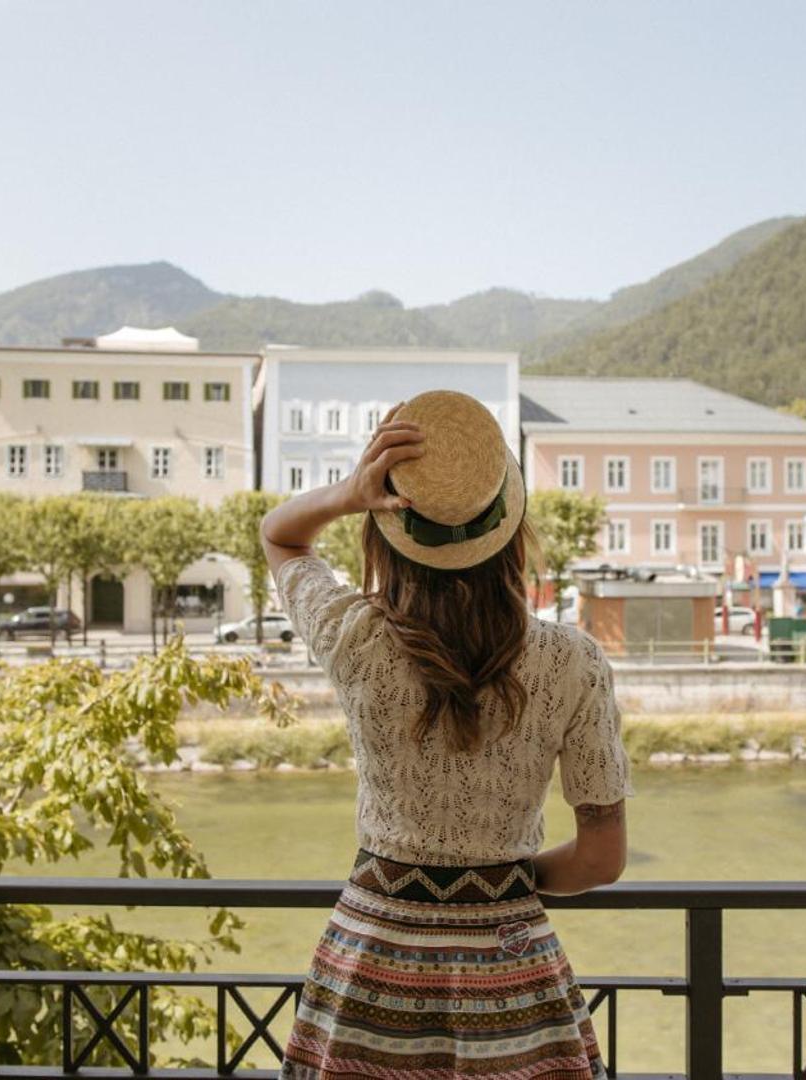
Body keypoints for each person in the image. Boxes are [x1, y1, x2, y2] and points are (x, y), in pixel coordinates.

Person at [261, 391, 631, 1080]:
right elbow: (600, 859)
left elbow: (280, 535)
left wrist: (349, 493)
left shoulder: (353, 637)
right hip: (513, 972)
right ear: (510, 530)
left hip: (370, 966)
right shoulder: (573, 661)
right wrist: (499, 879)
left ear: (386, 533)